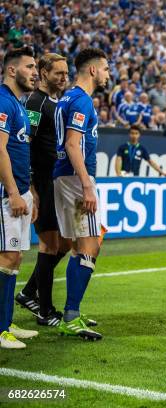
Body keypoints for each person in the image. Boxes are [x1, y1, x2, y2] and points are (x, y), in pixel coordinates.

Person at [54, 47, 111, 340]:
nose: (108, 74)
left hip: (67, 177)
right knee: (89, 246)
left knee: (83, 245)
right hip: (76, 179)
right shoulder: (81, 101)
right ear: (92, 70)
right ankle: (71, 315)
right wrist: (87, 184)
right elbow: (73, 144)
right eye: (105, 69)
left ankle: (72, 312)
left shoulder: (67, 98)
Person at [16, 53, 72, 327]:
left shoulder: (57, 102)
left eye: (65, 73)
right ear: (43, 72)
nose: (63, 78)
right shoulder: (36, 103)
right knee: (50, 245)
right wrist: (32, 186)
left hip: (57, 181)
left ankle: (28, 292)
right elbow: (25, 143)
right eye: (58, 73)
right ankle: (45, 311)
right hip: (43, 182)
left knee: (65, 243)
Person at [0, 46, 40, 349]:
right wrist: (14, 192)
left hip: (22, 191)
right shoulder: (3, 100)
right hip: (6, 193)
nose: (34, 72)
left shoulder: (19, 104)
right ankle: (0, 329)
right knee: (7, 257)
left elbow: (19, 150)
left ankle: (7, 322)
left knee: (15, 259)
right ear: (12, 70)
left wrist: (30, 192)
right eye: (29, 67)